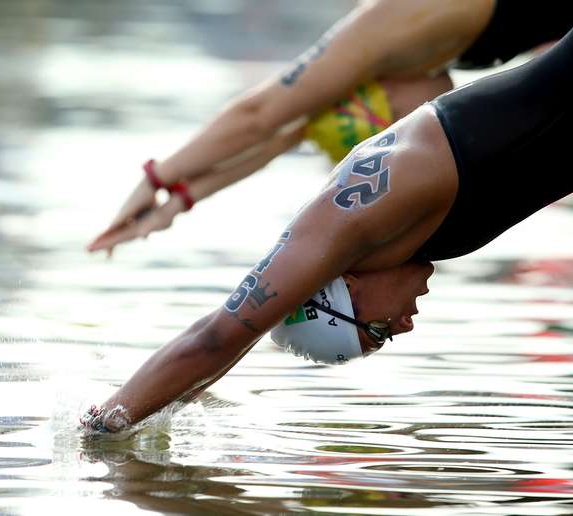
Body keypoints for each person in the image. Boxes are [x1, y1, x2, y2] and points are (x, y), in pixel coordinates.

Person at [80, 27, 573, 434]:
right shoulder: (376, 236)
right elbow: (233, 345)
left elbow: (216, 338)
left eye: (379, 332)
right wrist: (167, 410)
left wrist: (103, 428)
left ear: (345, 290)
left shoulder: (350, 223)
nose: (406, 326)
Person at [87, 0, 570, 255]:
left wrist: (153, 177)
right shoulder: (404, 38)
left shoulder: (394, 21)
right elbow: (289, 131)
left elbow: (262, 113)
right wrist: (174, 203)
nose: (389, 136)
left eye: (377, 130)